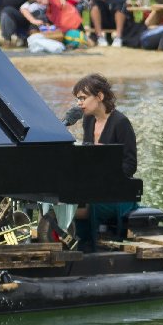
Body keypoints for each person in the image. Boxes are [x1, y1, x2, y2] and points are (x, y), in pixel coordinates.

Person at [67, 74, 138, 252]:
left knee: (87, 205)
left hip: (117, 194)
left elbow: (130, 165)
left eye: (83, 98)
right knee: (66, 197)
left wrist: (106, 178)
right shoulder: (88, 120)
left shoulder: (121, 123)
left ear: (99, 96)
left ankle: (89, 248)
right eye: (77, 99)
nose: (79, 103)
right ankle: (72, 245)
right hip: (94, 189)